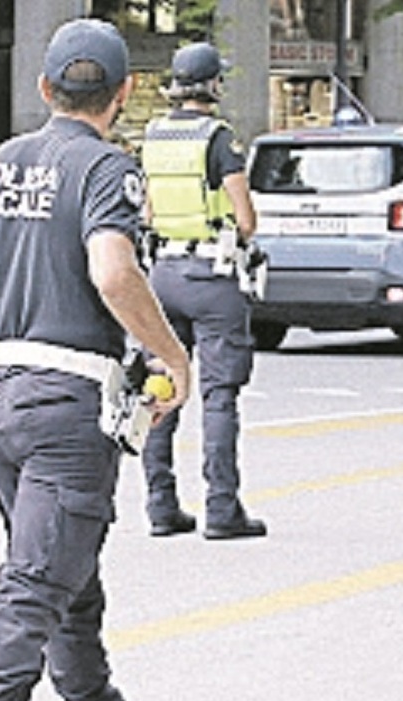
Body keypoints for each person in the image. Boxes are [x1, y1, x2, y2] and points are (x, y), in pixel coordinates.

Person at [0, 18, 191, 701]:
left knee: (66, 577)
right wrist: (171, 354)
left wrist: (28, 281)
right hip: (62, 408)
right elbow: (113, 272)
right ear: (126, 92)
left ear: (45, 87)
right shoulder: (107, 167)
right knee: (37, 586)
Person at [139, 41, 265, 540]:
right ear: (213, 85)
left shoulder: (153, 136)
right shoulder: (219, 139)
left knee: (161, 390)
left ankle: (160, 505)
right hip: (213, 278)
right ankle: (221, 508)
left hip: (162, 276)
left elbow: (146, 213)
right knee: (218, 397)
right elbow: (246, 219)